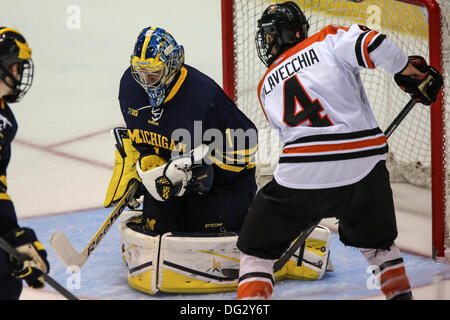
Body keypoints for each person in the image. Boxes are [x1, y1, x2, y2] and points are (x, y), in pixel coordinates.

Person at [236, 2, 443, 300]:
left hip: (305, 173)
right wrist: (410, 73)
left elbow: (290, 136)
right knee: (379, 246)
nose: (266, 42)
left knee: (255, 251)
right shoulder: (328, 39)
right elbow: (377, 44)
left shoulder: (266, 84)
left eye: (269, 36)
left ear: (279, 36)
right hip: (365, 166)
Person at [103, 26, 259, 294]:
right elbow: (141, 139)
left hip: (224, 182)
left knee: (203, 235)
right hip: (172, 178)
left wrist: (202, 169)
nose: (146, 81)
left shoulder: (202, 95)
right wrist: (144, 169)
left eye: (154, 73)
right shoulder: (129, 86)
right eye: (140, 72)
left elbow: (248, 141)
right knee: (157, 227)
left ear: (173, 65)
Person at [0, 27, 50, 300]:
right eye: (17, 65)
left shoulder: (6, 119)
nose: (19, 74)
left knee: (8, 282)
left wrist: (13, 234)